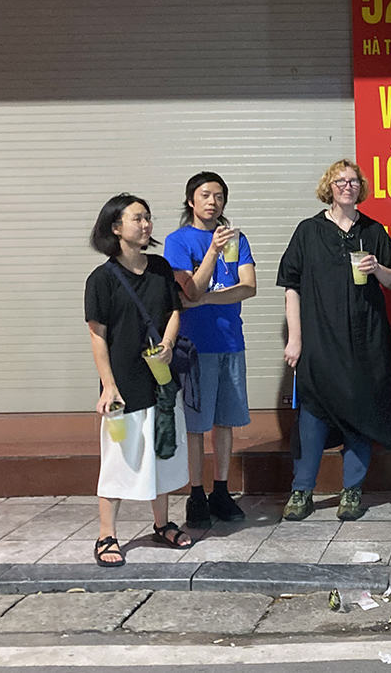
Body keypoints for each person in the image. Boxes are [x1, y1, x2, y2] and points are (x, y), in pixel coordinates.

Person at [278, 160, 391, 521]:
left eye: (353, 181)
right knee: (313, 414)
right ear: (328, 187)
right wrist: (295, 340)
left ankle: (352, 491)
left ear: (360, 187)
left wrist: (377, 268)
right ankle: (301, 491)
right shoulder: (308, 231)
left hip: (367, 340)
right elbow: (292, 288)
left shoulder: (373, 230)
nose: (347, 186)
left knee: (361, 411)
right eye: (340, 181)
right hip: (319, 339)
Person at [84, 194, 193, 566]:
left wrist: (166, 343)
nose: (145, 225)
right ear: (116, 228)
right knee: (119, 458)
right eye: (137, 219)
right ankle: (106, 534)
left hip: (160, 381)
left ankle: (161, 524)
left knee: (161, 453)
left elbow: (174, 312)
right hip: (123, 385)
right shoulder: (101, 279)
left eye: (148, 218)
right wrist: (108, 386)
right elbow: (98, 335)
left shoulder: (161, 269)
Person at [164, 172, 256, 528]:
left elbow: (248, 287)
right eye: (205, 195)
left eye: (219, 196)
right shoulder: (178, 241)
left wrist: (206, 299)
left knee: (226, 421)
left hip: (231, 341)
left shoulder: (238, 238)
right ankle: (196, 494)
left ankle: (221, 490)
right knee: (195, 425)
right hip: (194, 347)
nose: (213, 202)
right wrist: (212, 254)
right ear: (191, 200)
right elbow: (188, 289)